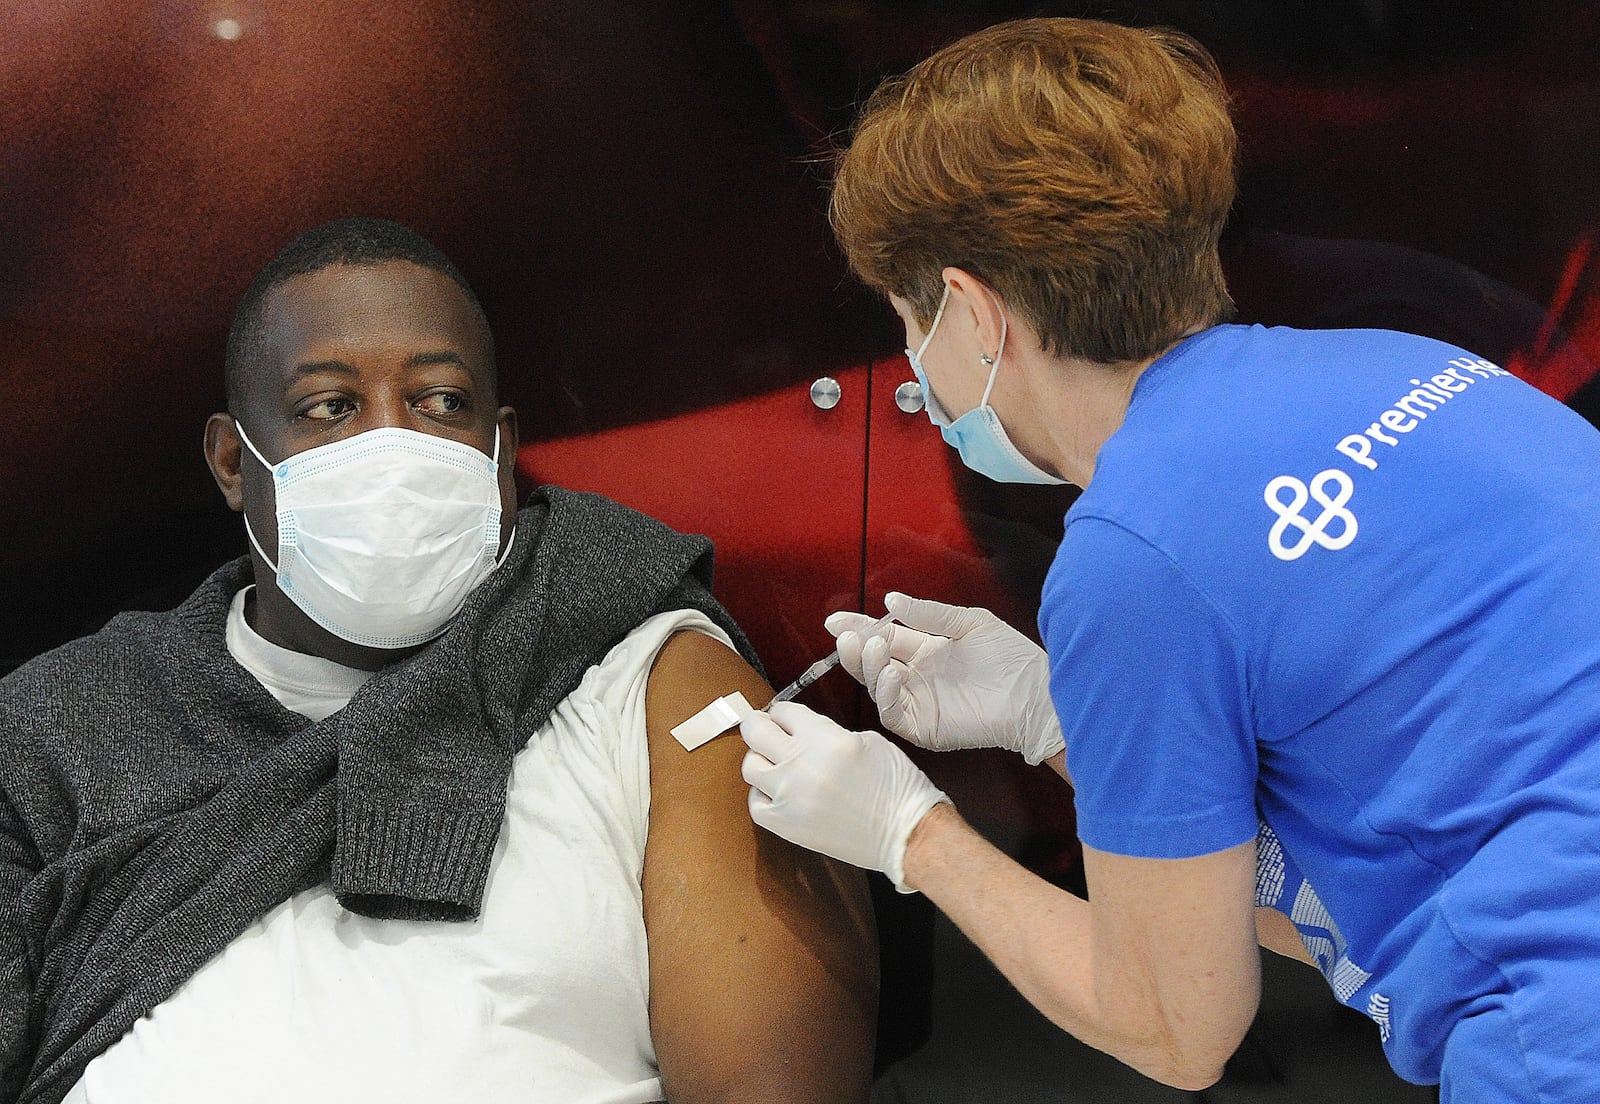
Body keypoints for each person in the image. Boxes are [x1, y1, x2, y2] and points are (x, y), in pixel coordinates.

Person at [736, 17, 1600, 1103]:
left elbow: (1174, 1027)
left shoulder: (1132, 556)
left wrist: (912, 834)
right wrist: (1057, 722)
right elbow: (1366, 910)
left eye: (904, 316)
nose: (914, 363)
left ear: (969, 309)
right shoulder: (1420, 370)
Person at [0, 218, 877, 1104]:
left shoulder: (653, 683)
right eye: (330, 406)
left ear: (499, 452)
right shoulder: (58, 730)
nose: (393, 446)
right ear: (234, 460)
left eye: (439, 403)